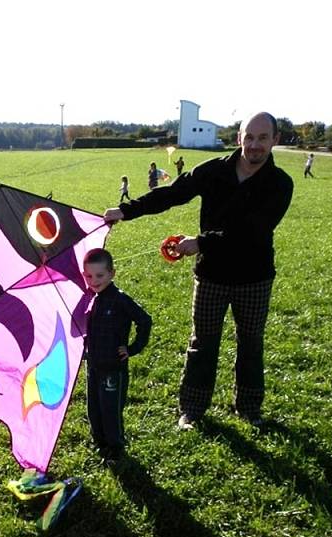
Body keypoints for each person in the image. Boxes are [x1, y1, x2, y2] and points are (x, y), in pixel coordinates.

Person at [103, 112, 293, 429]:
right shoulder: (215, 170)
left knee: (251, 344)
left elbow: (253, 231)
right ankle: (191, 409)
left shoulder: (280, 184)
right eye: (249, 137)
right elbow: (173, 193)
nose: (255, 145)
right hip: (212, 277)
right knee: (202, 343)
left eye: (262, 138)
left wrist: (201, 243)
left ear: (275, 140)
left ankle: (249, 408)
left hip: (254, 278)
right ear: (239, 138)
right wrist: (126, 210)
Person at [82, 248, 152, 461]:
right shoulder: (90, 299)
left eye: (100, 275)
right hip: (93, 365)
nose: (94, 281)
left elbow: (144, 320)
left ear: (112, 274)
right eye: (89, 276)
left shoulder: (120, 299)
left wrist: (132, 348)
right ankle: (99, 440)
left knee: (110, 409)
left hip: (113, 367)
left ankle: (115, 446)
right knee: (93, 407)